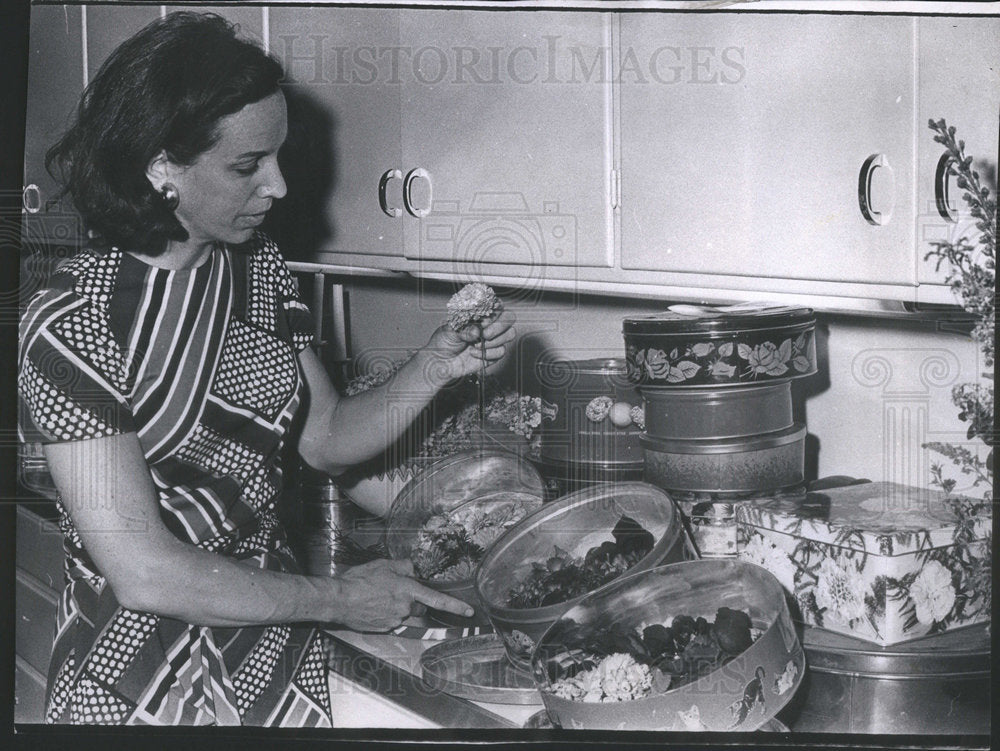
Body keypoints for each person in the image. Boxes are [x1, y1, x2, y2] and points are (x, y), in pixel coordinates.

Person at [17, 11, 515, 727]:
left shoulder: (257, 271)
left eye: (276, 156)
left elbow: (325, 435)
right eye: (247, 166)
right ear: (162, 167)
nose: (278, 186)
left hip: (268, 661)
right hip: (134, 680)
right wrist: (342, 596)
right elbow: (144, 569)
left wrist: (436, 364)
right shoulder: (71, 323)